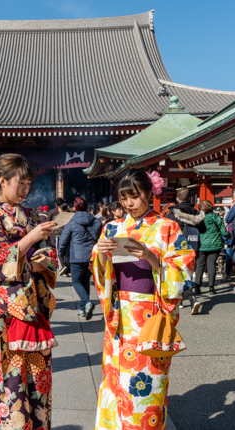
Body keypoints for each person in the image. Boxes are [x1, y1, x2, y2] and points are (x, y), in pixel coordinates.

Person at [92, 169, 195, 430]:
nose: (128, 204)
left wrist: (150, 256)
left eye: (135, 197)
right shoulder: (112, 227)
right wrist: (102, 254)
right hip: (119, 314)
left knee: (146, 379)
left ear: (149, 193)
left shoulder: (167, 227)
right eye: (124, 198)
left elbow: (183, 271)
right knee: (116, 380)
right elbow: (102, 273)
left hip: (149, 313)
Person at [0, 154, 58, 430]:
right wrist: (29, 242)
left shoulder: (29, 215)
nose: (26, 188)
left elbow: (48, 255)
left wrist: (41, 261)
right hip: (2, 314)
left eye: (29, 183)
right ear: (2, 181)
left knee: (38, 380)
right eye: (21, 182)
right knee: (10, 378)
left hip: (32, 309)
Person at [58, 197, 102, 319]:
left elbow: (63, 240)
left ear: (75, 208)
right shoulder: (96, 221)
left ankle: (86, 302)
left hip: (76, 256)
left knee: (76, 281)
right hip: (91, 256)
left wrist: (60, 254)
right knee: (85, 281)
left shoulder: (71, 222)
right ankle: (83, 308)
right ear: (87, 207)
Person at [166, 187, 204, 312]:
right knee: (188, 273)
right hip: (192, 245)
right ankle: (191, 299)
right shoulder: (195, 212)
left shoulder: (172, 212)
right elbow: (203, 229)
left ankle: (184, 299)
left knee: (178, 272)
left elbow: (167, 230)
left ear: (177, 199)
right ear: (189, 198)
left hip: (177, 246)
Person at [194, 200, 230, 294]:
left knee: (199, 266)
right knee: (211, 265)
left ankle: (197, 287)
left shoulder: (197, 217)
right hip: (215, 244)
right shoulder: (216, 217)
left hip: (200, 245)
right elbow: (223, 232)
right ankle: (211, 288)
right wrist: (229, 236)